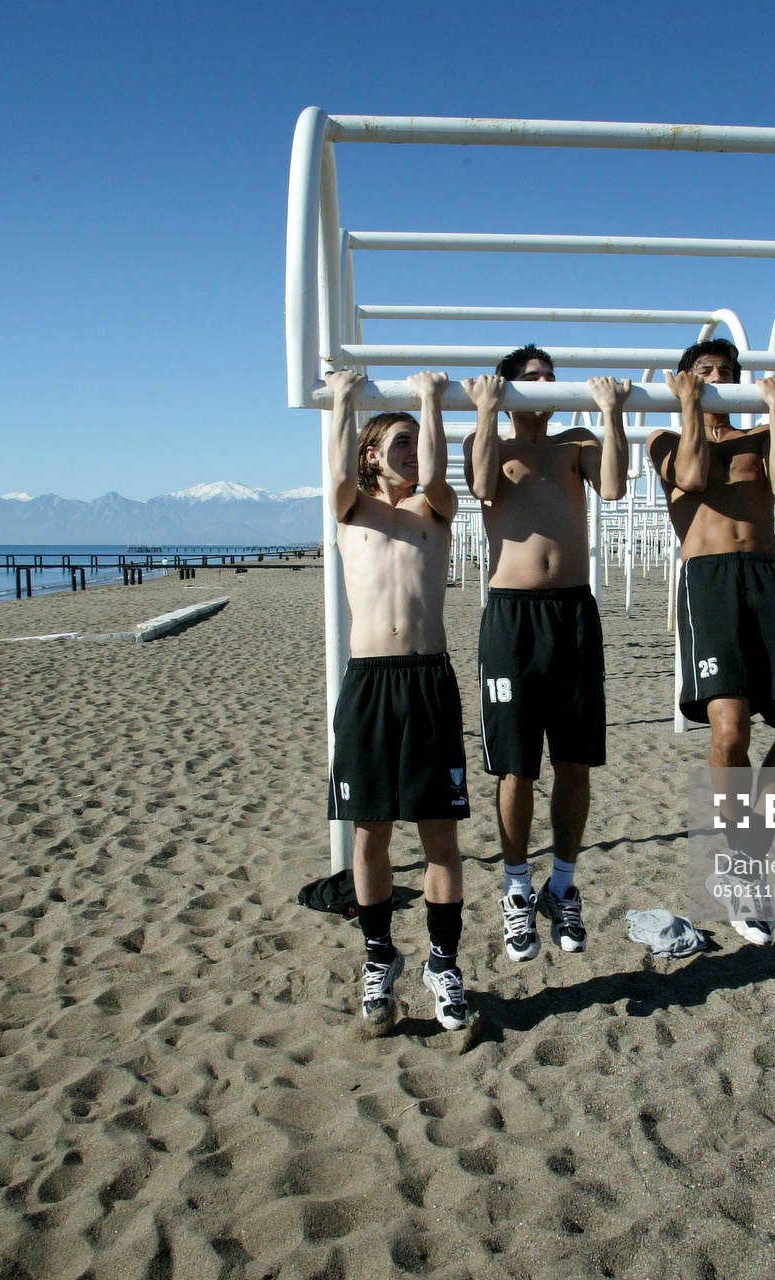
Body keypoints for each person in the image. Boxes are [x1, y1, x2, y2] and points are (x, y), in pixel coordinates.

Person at [647, 339, 775, 945]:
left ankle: (749, 853)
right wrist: (691, 405)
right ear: (683, 381)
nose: (718, 379)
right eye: (706, 372)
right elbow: (693, 476)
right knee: (731, 730)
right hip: (710, 580)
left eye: (726, 373)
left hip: (771, 577)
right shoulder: (665, 441)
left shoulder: (755, 435)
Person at [462, 347, 628, 962]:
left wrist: (610, 413)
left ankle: (561, 885)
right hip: (512, 618)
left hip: (574, 614)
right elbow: (480, 487)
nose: (545, 386)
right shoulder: (493, 449)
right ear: (509, 390)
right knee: (516, 767)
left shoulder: (575, 444)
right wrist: (486, 410)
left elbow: (612, 487)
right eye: (533, 379)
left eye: (550, 379)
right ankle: (515, 890)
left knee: (575, 761)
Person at [323, 367, 473, 1034]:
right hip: (369, 685)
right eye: (400, 444)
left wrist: (429, 402)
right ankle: (379, 958)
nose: (412, 454)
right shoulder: (351, 510)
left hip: (427, 682)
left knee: (440, 834)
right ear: (371, 455)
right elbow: (335, 476)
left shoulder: (433, 510)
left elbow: (439, 475)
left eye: (418, 442)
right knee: (370, 832)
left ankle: (444, 962)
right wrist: (342, 403)